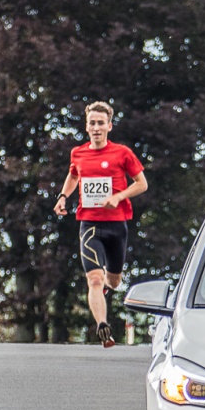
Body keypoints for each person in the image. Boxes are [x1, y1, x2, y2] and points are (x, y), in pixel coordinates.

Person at [53, 101, 148, 347]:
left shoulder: (122, 153)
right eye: (92, 123)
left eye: (100, 123)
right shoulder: (78, 153)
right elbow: (73, 175)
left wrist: (118, 196)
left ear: (109, 126)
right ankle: (103, 326)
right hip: (90, 224)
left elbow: (141, 184)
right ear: (87, 127)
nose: (96, 127)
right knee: (94, 279)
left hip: (117, 225)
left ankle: (107, 288)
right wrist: (63, 196)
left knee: (113, 281)